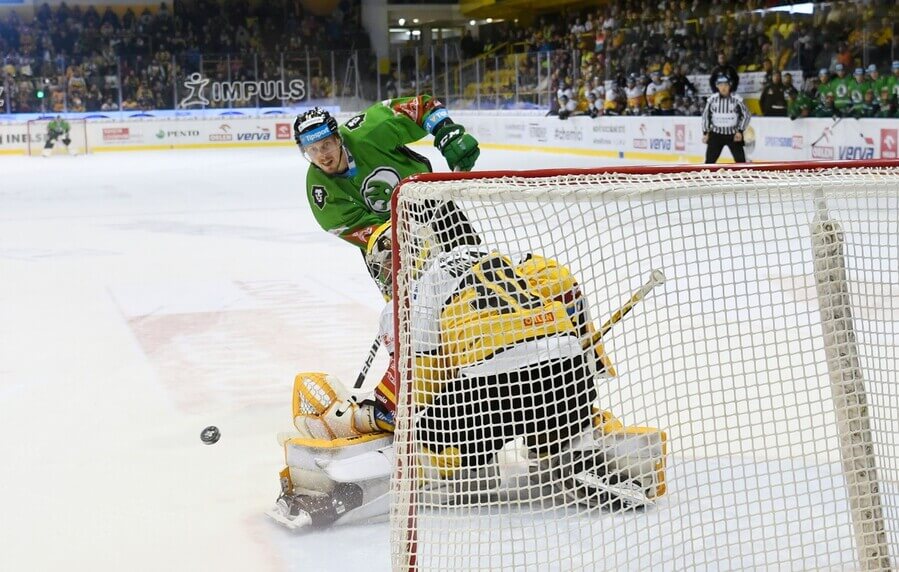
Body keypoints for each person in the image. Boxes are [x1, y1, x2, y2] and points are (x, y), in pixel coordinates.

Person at [266, 225, 667, 530]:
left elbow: (416, 390)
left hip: (494, 390)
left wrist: (361, 416)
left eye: (389, 262)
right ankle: (599, 451)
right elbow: (560, 281)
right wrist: (586, 350)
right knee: (549, 443)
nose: (390, 272)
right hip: (569, 378)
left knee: (427, 442)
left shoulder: (411, 297)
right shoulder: (495, 255)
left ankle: (336, 491)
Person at [294, 97, 480, 292]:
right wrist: (395, 243)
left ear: (338, 138)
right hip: (383, 239)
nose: (322, 156)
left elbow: (423, 106)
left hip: (429, 204)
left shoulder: (369, 130)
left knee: (475, 268)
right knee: (408, 307)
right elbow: (353, 227)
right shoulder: (320, 191)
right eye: (312, 150)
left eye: (326, 145)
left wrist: (447, 133)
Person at [702, 76, 751, 164]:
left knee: (741, 162)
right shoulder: (712, 99)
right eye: (720, 85)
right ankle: (707, 177)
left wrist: (740, 131)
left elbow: (746, 115)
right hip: (716, 134)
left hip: (733, 135)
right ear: (717, 86)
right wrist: (706, 133)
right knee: (709, 162)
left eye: (725, 85)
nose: (723, 87)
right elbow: (705, 116)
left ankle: (742, 177)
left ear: (730, 86)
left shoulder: (737, 99)